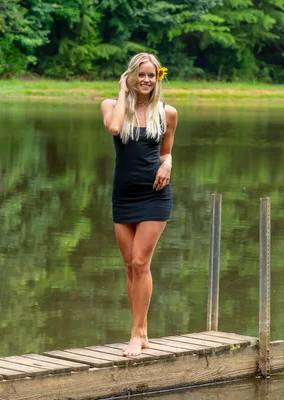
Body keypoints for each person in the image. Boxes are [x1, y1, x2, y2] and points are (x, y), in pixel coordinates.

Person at [100, 53, 178, 357]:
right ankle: (142, 332)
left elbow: (166, 151)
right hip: (123, 196)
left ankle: (137, 334)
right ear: (130, 75)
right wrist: (122, 93)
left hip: (155, 195)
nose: (146, 80)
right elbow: (114, 128)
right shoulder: (111, 106)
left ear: (158, 77)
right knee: (129, 267)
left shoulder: (167, 113)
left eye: (152, 75)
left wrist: (168, 163)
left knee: (140, 262)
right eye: (141, 74)